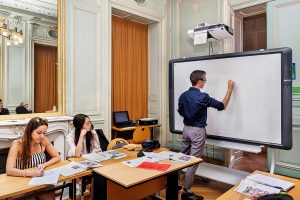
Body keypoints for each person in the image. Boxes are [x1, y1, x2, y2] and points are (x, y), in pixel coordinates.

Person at [178, 70, 235, 200]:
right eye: (204, 80)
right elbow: (222, 105)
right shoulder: (203, 97)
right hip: (198, 131)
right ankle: (186, 191)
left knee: (181, 158)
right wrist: (230, 90)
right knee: (193, 161)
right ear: (199, 81)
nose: (205, 82)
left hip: (186, 129)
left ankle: (173, 183)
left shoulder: (182, 96)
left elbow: (181, 112)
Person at [6, 117, 61, 200]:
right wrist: (32, 173)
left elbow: (57, 157)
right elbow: (9, 170)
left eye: (44, 133)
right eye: (39, 133)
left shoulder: (43, 140)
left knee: (49, 195)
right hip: (22, 182)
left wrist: (44, 164)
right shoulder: (17, 144)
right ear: (30, 131)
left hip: (40, 180)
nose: (42, 136)